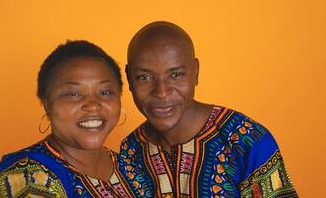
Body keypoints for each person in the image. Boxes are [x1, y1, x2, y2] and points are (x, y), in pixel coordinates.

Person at [120, 21, 298, 197]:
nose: (162, 92)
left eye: (176, 75)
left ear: (195, 72)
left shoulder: (246, 140)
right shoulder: (130, 151)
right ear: (129, 78)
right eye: (144, 77)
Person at [0, 40, 137, 197]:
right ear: (47, 104)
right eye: (73, 94)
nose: (93, 105)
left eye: (105, 92)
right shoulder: (27, 179)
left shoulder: (130, 167)